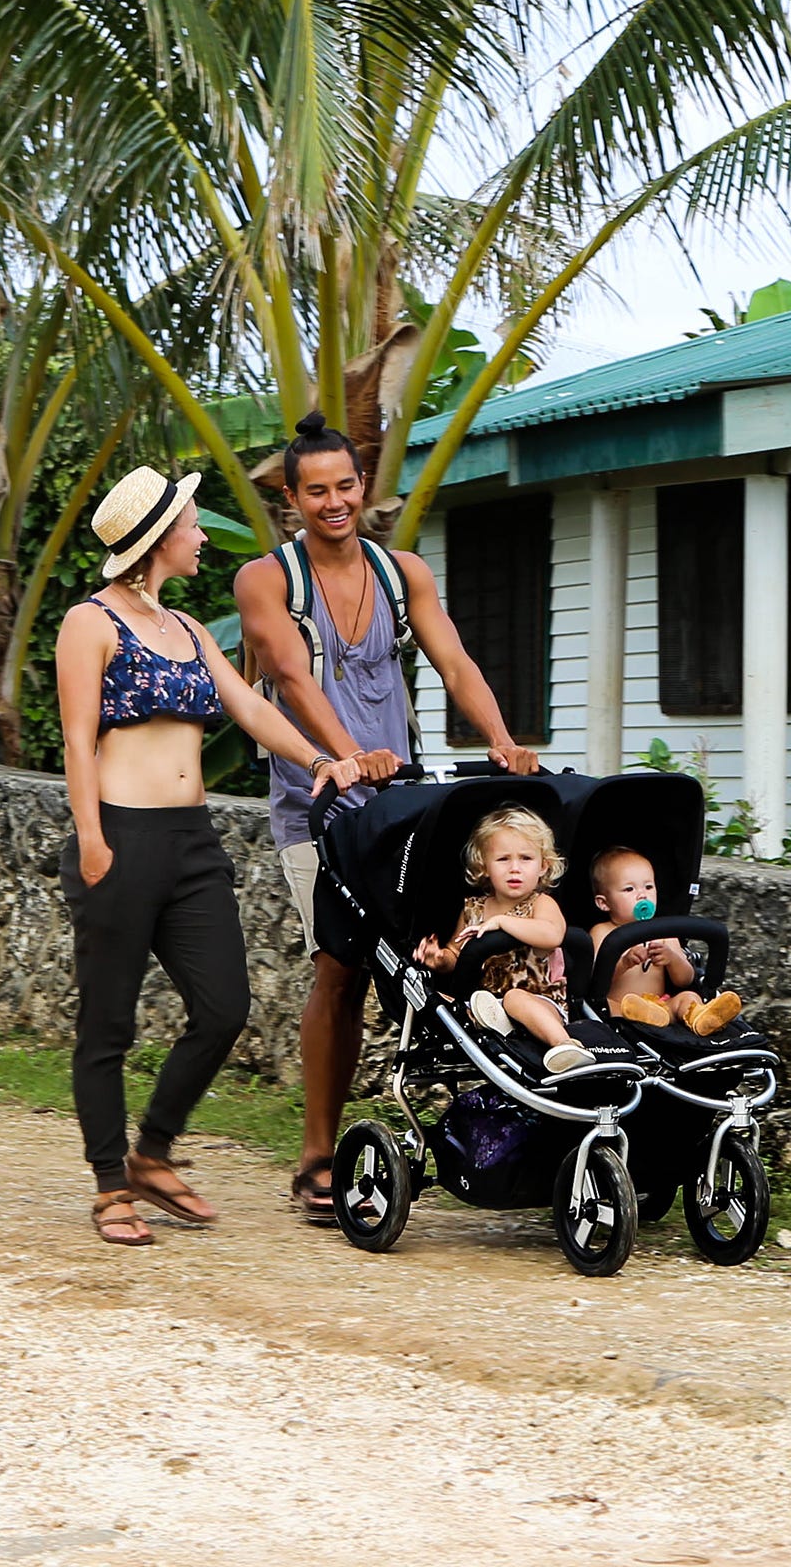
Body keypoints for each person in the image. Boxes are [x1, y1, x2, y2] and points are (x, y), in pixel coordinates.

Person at [235, 409, 540, 1220]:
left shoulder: (402, 571)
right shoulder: (267, 579)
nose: (333, 502)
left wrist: (504, 740)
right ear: (291, 499)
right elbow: (293, 678)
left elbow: (453, 658)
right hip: (316, 803)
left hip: (404, 803)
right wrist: (341, 758)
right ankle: (314, 1160)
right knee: (338, 968)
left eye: (345, 486)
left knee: (440, 964)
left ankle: (486, 1131)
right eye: (315, 492)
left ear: (362, 486)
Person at [56, 465, 365, 1247]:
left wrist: (323, 758)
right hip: (120, 838)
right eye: (193, 524)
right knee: (108, 1025)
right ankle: (108, 1187)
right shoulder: (89, 624)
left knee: (225, 1006)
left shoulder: (190, 631)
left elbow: (253, 707)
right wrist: (92, 839)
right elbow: (77, 741)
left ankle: (152, 1152)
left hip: (193, 845)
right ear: (159, 537)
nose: (202, 536)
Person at [414, 807, 594, 1072]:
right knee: (437, 1002)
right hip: (486, 1004)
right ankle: (498, 1025)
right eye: (503, 859)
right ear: (484, 866)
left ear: (543, 865)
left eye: (525, 858)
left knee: (514, 999)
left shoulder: (541, 904)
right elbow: (457, 954)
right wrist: (439, 958)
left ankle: (567, 1046)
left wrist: (502, 923)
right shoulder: (473, 909)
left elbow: (552, 935)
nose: (514, 869)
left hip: (540, 1000)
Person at [588, 847, 742, 1036]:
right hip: (622, 1008)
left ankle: (703, 1017)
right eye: (629, 889)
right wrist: (625, 962)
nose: (642, 895)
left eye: (649, 887)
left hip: (662, 1004)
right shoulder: (602, 932)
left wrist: (672, 959)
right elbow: (595, 982)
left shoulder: (663, 930)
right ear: (604, 903)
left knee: (689, 996)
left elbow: (685, 979)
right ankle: (644, 1015)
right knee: (608, 1007)